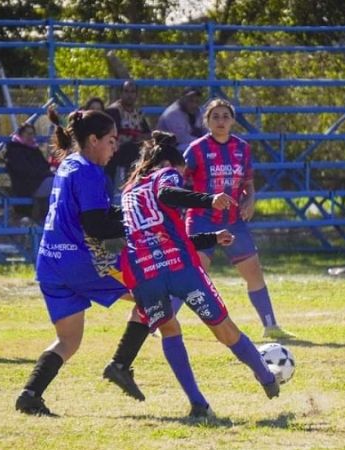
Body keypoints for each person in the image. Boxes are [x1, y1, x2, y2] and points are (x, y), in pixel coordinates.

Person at [120, 131, 281, 418]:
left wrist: (211, 238)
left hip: (145, 273)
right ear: (174, 165)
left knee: (170, 330)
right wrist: (208, 200)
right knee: (224, 329)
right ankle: (266, 377)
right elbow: (167, 193)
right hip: (181, 269)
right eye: (181, 173)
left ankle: (198, 403)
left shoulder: (130, 191)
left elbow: (163, 235)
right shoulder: (166, 175)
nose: (180, 178)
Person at [15, 109, 150, 417]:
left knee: (68, 341)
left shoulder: (68, 164)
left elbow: (94, 218)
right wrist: (141, 223)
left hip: (50, 261)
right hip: (80, 263)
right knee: (154, 292)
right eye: (112, 140)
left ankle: (30, 395)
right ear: (93, 140)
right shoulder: (88, 171)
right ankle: (121, 364)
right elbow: (97, 227)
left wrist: (129, 215)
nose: (115, 147)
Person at [183, 98, 295, 339]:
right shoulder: (196, 150)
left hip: (233, 221)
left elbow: (248, 183)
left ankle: (271, 326)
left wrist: (250, 199)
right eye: (215, 117)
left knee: (254, 272)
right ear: (207, 121)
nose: (221, 121)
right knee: (191, 274)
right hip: (202, 219)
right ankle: (161, 325)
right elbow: (179, 182)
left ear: (233, 120)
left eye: (225, 116)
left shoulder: (242, 148)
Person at [105, 80, 152, 192]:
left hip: (134, 149)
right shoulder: (113, 111)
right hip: (115, 150)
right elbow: (113, 133)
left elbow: (147, 133)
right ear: (121, 93)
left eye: (132, 92)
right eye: (126, 91)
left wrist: (141, 137)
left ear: (136, 95)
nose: (129, 95)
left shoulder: (138, 113)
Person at [4, 122, 54, 225]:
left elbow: (44, 166)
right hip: (27, 186)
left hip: (39, 182)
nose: (30, 137)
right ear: (21, 135)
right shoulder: (14, 150)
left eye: (32, 134)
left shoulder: (34, 149)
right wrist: (45, 173)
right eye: (28, 134)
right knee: (57, 184)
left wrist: (45, 172)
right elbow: (25, 171)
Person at [157, 86, 207, 152]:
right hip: (168, 149)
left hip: (189, 144)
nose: (194, 104)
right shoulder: (172, 114)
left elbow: (207, 130)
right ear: (182, 98)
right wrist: (205, 143)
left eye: (197, 101)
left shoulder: (199, 111)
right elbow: (181, 139)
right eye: (190, 100)